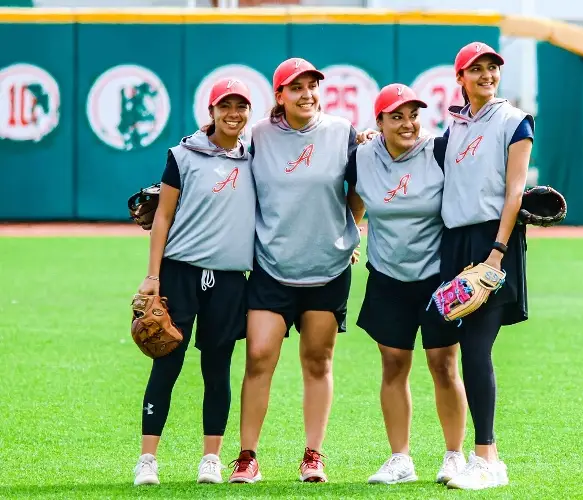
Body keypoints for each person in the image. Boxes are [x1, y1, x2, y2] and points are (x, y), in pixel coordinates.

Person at [228, 57, 364, 485]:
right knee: (258, 356)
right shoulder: (257, 137)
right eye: (296, 87)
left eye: (312, 86)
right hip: (272, 266)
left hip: (327, 267)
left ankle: (313, 455)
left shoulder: (343, 133)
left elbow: (358, 188)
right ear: (279, 96)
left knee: (318, 361)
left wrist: (350, 227)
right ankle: (247, 456)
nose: (307, 94)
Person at [132, 78, 256, 486]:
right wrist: (153, 276)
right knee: (166, 361)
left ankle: (211, 459)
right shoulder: (182, 155)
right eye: (226, 106)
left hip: (229, 279)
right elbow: (162, 217)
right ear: (212, 111)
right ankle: (147, 460)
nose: (233, 113)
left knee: (217, 368)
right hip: (180, 271)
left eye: (241, 106)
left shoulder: (255, 158)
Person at [344, 84, 469, 486]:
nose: (407, 123)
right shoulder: (362, 156)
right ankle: (400, 459)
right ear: (378, 123)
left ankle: (454, 455)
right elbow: (355, 200)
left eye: (413, 115)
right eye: (395, 116)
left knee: (443, 365)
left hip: (437, 278)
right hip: (387, 276)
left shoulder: (439, 152)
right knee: (394, 365)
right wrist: (352, 234)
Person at [438, 41, 535, 490]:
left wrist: (496, 251)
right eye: (476, 69)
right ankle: (477, 458)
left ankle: (487, 459)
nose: (486, 75)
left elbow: (515, 192)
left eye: (492, 68)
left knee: (477, 348)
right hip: (455, 244)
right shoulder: (453, 127)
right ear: (460, 78)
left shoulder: (514, 121)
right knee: (448, 350)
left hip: (494, 243)